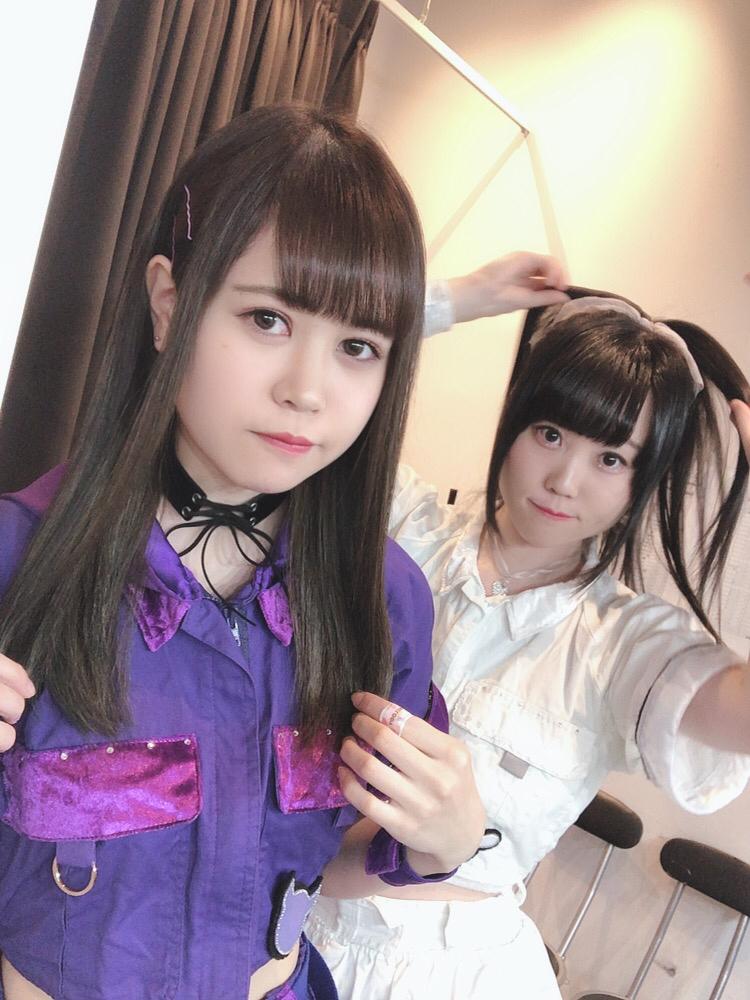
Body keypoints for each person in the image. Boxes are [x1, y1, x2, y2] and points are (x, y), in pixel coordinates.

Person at [0, 106, 491, 1000]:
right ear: (169, 304)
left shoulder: (384, 598)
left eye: (357, 347)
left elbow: (321, 858)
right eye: (268, 319)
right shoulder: (17, 559)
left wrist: (440, 841)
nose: (308, 389)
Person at [309, 283, 750, 999]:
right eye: (550, 434)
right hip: (281, 915)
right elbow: (316, 386)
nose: (564, 480)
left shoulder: (626, 647)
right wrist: (452, 303)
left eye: (612, 459)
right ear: (515, 421)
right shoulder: (404, 528)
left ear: (642, 483)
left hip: (451, 974)